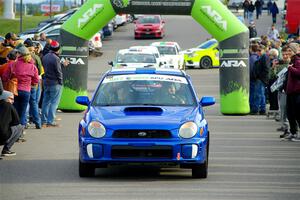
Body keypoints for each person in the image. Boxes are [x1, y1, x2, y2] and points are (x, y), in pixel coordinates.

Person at [2, 46, 39, 129]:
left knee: (14, 112)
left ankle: (14, 131)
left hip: (14, 91)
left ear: (19, 54)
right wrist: (29, 83)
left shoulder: (13, 64)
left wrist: (10, 79)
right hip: (26, 91)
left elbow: (4, 77)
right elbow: (36, 80)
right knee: (22, 113)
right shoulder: (32, 67)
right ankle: (21, 132)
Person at [41, 40, 69, 127]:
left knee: (45, 101)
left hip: (46, 82)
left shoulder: (45, 57)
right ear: (58, 49)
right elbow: (58, 71)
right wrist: (61, 81)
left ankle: (44, 120)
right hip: (55, 83)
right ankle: (51, 121)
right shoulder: (56, 58)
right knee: (54, 102)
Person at [284, 43, 300, 141]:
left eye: (290, 51)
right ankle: (293, 132)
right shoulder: (292, 60)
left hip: (296, 92)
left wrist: (290, 67)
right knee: (290, 114)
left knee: (297, 114)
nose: (288, 53)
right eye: (287, 51)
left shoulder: (297, 60)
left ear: (294, 51)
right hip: (290, 92)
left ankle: (296, 133)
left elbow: (298, 73)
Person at [0, 90, 23, 157]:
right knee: (19, 127)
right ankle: (6, 150)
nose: (13, 101)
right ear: (5, 98)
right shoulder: (8, 105)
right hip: (2, 136)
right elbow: (17, 121)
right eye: (11, 99)